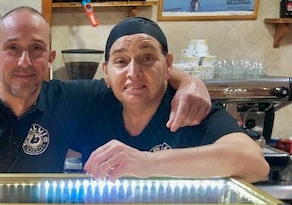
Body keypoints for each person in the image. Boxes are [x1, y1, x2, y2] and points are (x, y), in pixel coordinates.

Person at [0, 6, 210, 175]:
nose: (24, 61)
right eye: (12, 48)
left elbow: (128, 77)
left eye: (37, 49)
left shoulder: (70, 99)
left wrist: (186, 80)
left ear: (51, 58)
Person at [79, 16, 269, 183]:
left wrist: (147, 163)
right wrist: (185, 78)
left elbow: (255, 163)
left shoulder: (191, 106)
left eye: (147, 58)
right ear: (106, 71)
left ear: (168, 64)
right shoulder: (93, 101)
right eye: (121, 61)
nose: (133, 73)